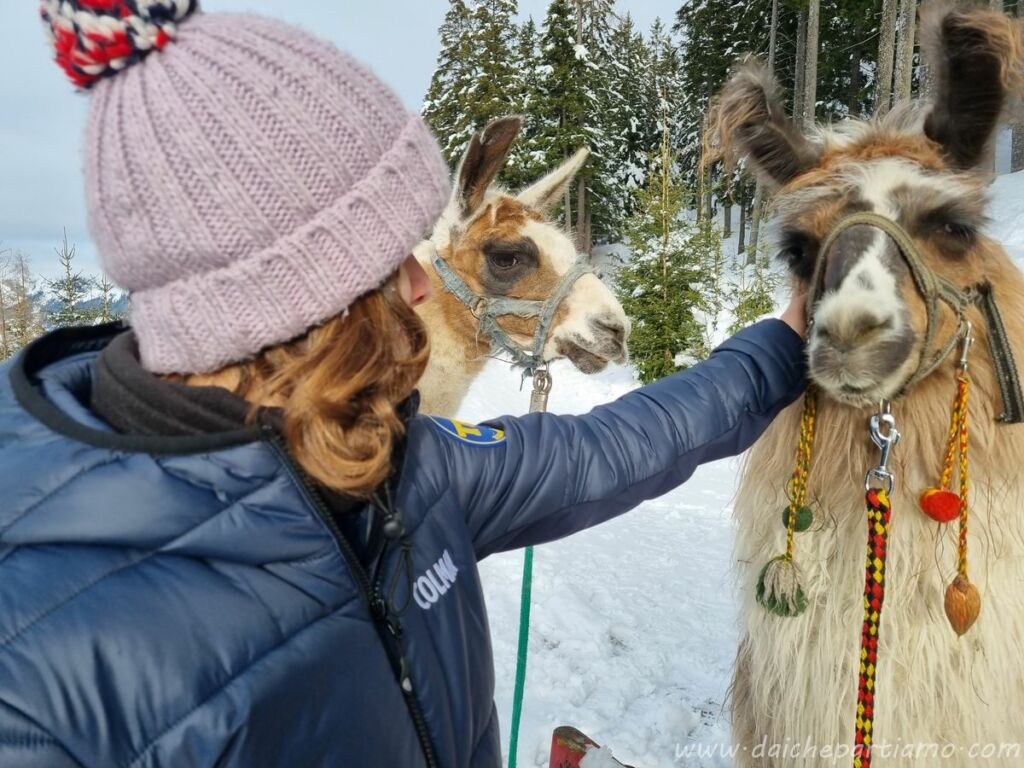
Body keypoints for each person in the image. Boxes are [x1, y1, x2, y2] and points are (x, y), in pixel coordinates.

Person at [0, 2, 806, 767]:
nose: (422, 288)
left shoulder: (397, 460)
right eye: (389, 263)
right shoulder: (38, 670)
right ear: (285, 294)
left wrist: (785, 341)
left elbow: (615, 447)